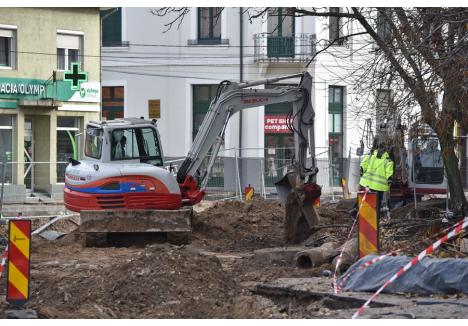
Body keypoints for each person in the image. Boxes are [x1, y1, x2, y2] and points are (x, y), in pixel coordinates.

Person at [359, 139, 394, 211]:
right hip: (379, 187)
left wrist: (361, 170)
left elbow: (363, 164)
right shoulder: (388, 160)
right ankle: (375, 219)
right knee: (376, 206)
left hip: (367, 184)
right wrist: (389, 180)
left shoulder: (370, 156)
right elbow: (389, 173)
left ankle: (358, 212)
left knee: (365, 202)